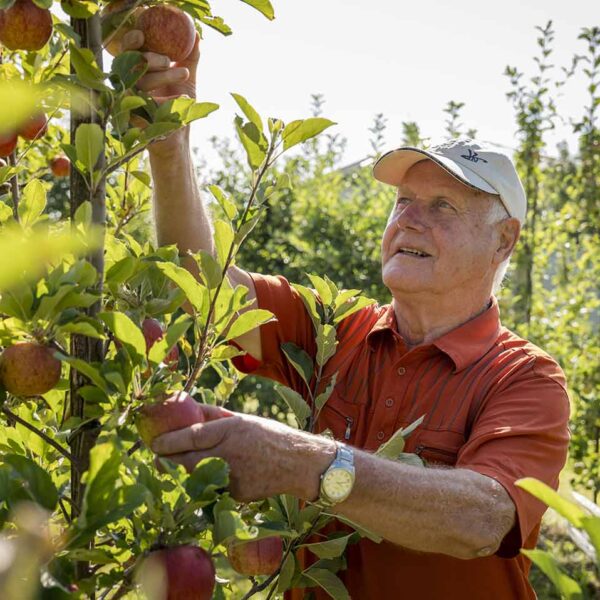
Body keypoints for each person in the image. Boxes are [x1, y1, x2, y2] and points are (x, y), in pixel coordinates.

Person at [121, 30, 570, 599]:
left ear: (504, 241)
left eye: (442, 206)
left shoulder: (525, 380)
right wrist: (170, 143)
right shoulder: (334, 330)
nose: (409, 219)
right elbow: (202, 286)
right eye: (403, 202)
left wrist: (300, 461)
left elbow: (483, 519)